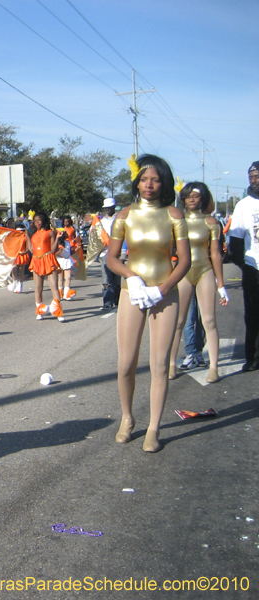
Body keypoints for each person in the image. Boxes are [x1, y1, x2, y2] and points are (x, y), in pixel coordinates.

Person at [106, 154, 191, 453]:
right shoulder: (124, 216)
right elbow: (112, 259)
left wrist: (163, 288)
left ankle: (153, 427)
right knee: (126, 363)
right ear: (136, 182)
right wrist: (132, 277)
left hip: (164, 295)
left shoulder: (174, 215)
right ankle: (127, 418)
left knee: (159, 365)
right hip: (133, 292)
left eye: (155, 179)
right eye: (144, 179)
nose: (149, 185)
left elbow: (185, 260)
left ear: (163, 182)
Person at [168, 183, 227, 383]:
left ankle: (214, 367)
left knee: (209, 320)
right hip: (183, 272)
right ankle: (170, 365)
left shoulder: (211, 222)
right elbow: (169, 250)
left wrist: (221, 284)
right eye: (188, 196)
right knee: (178, 321)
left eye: (196, 196)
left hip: (205, 270)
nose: (192, 199)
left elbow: (215, 253)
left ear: (203, 198)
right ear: (183, 199)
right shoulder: (177, 221)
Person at [227, 161, 259, 372]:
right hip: (253, 269)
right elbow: (235, 243)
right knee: (253, 316)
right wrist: (244, 265)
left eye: (257, 176)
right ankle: (253, 358)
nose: (254, 180)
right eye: (251, 177)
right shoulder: (244, 205)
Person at [25, 211, 64, 322]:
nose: (37, 223)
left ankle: (58, 312)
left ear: (44, 221)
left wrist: (57, 239)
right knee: (38, 288)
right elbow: (31, 250)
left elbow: (53, 250)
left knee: (54, 287)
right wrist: (27, 237)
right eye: (35, 221)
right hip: (36, 260)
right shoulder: (33, 234)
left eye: (39, 221)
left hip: (48, 259)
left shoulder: (50, 232)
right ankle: (40, 310)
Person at [100, 199, 120, 309]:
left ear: (114, 207)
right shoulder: (101, 222)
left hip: (117, 253)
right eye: (106, 208)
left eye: (110, 207)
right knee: (106, 280)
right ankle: (107, 302)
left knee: (117, 280)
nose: (107, 209)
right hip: (105, 253)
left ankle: (117, 300)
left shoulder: (120, 220)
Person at [58, 216, 78, 300]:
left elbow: (70, 252)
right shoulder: (59, 244)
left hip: (67, 260)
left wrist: (76, 249)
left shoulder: (68, 242)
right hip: (60, 260)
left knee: (68, 277)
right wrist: (59, 250)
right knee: (60, 278)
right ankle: (60, 293)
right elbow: (55, 252)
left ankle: (67, 293)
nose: (67, 234)